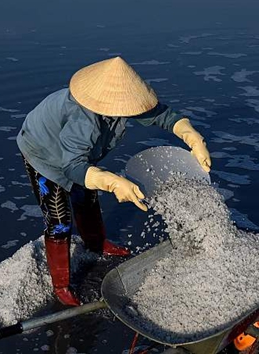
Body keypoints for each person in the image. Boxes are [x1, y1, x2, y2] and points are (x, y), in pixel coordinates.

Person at [17, 57, 212, 306]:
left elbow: (160, 115)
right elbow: (72, 167)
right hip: (43, 152)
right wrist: (112, 181)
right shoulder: (84, 121)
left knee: (86, 197)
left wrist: (191, 136)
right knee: (58, 219)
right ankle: (61, 285)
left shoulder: (116, 105)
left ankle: (95, 244)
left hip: (76, 154)